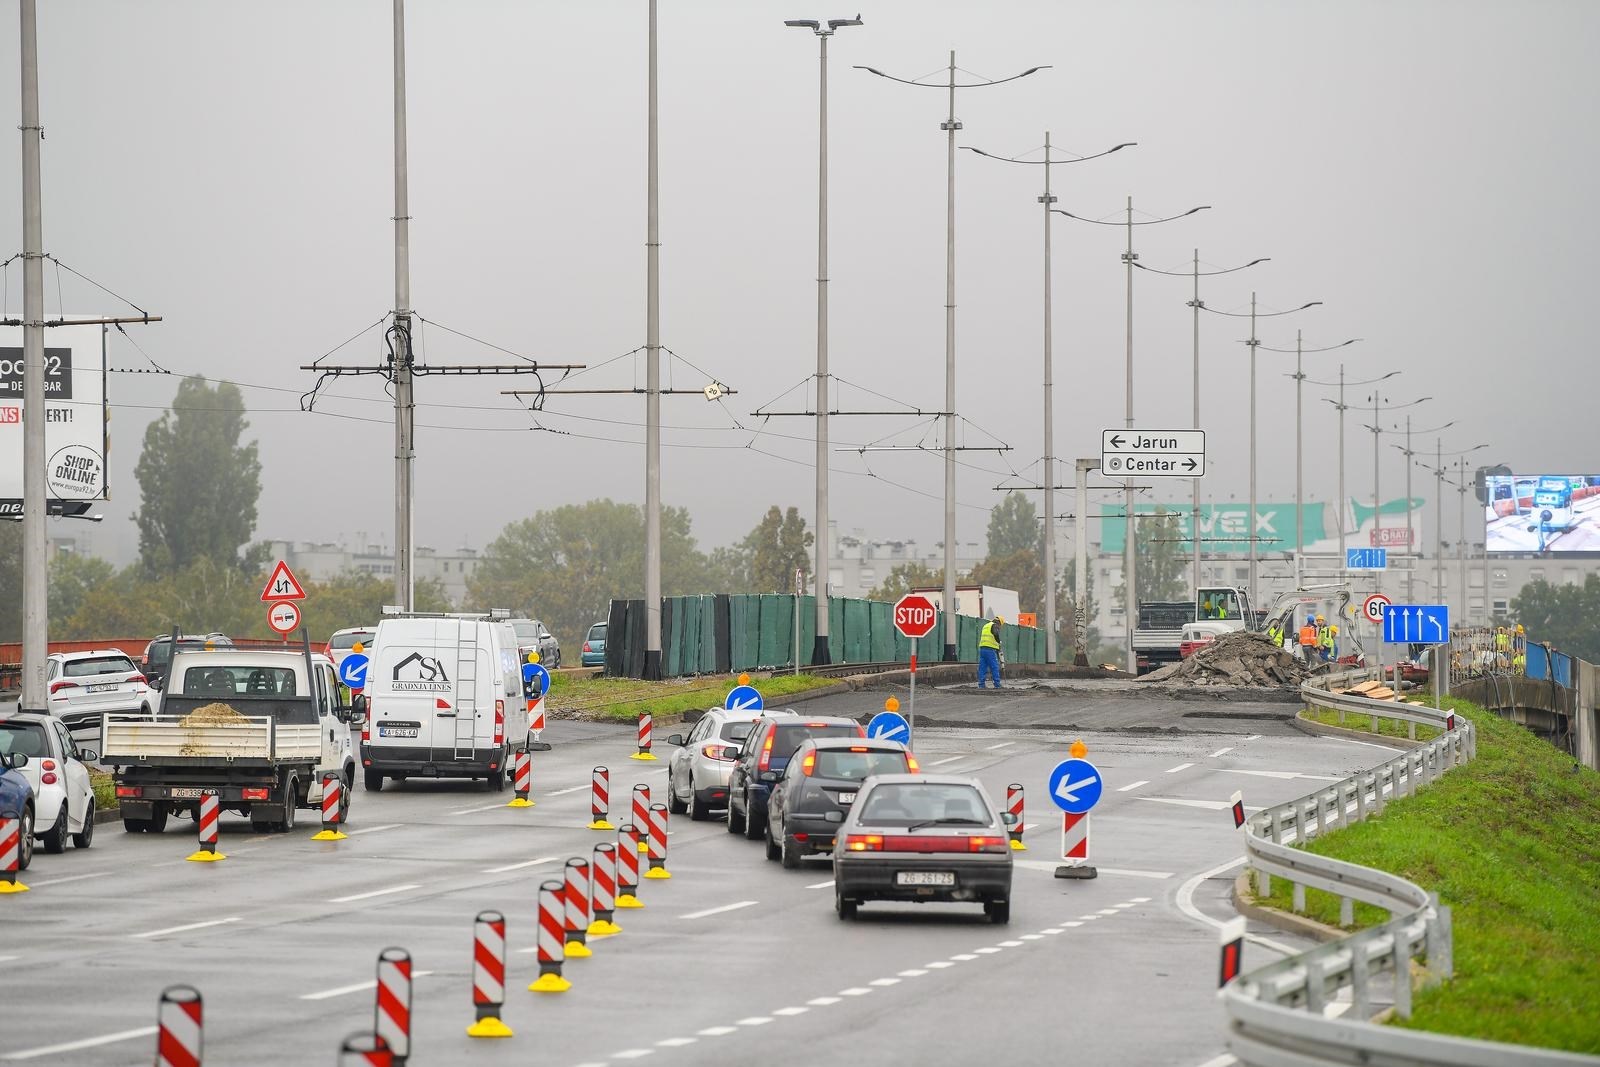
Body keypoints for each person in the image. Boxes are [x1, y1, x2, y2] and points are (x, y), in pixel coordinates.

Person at [978, 615, 1004, 689]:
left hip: (982, 649)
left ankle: (981, 685)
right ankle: (997, 685)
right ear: (999, 623)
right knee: (994, 667)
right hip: (990, 650)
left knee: (982, 667)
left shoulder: (986, 625)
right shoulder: (994, 626)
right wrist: (999, 641)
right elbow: (995, 634)